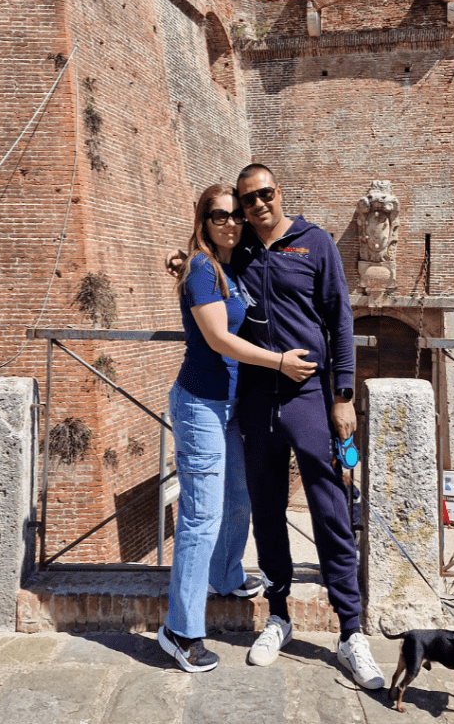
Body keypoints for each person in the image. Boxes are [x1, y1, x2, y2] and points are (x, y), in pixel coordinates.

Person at [231, 164, 384, 687]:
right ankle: (278, 616)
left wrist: (343, 397)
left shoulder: (315, 242)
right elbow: (206, 261)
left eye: (265, 194)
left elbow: (340, 319)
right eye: (248, 199)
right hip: (257, 400)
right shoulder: (239, 249)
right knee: (268, 510)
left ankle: (351, 632)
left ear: (279, 193)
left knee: (330, 509)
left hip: (308, 398)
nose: (258, 205)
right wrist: (182, 260)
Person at [158, 183, 318, 674]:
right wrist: (280, 362)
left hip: (230, 405)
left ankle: (225, 575)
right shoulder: (204, 268)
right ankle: (180, 631)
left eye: (235, 215)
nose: (230, 222)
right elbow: (219, 339)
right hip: (200, 405)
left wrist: (180, 258)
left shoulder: (229, 263)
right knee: (201, 517)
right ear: (203, 221)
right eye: (219, 216)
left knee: (239, 496)